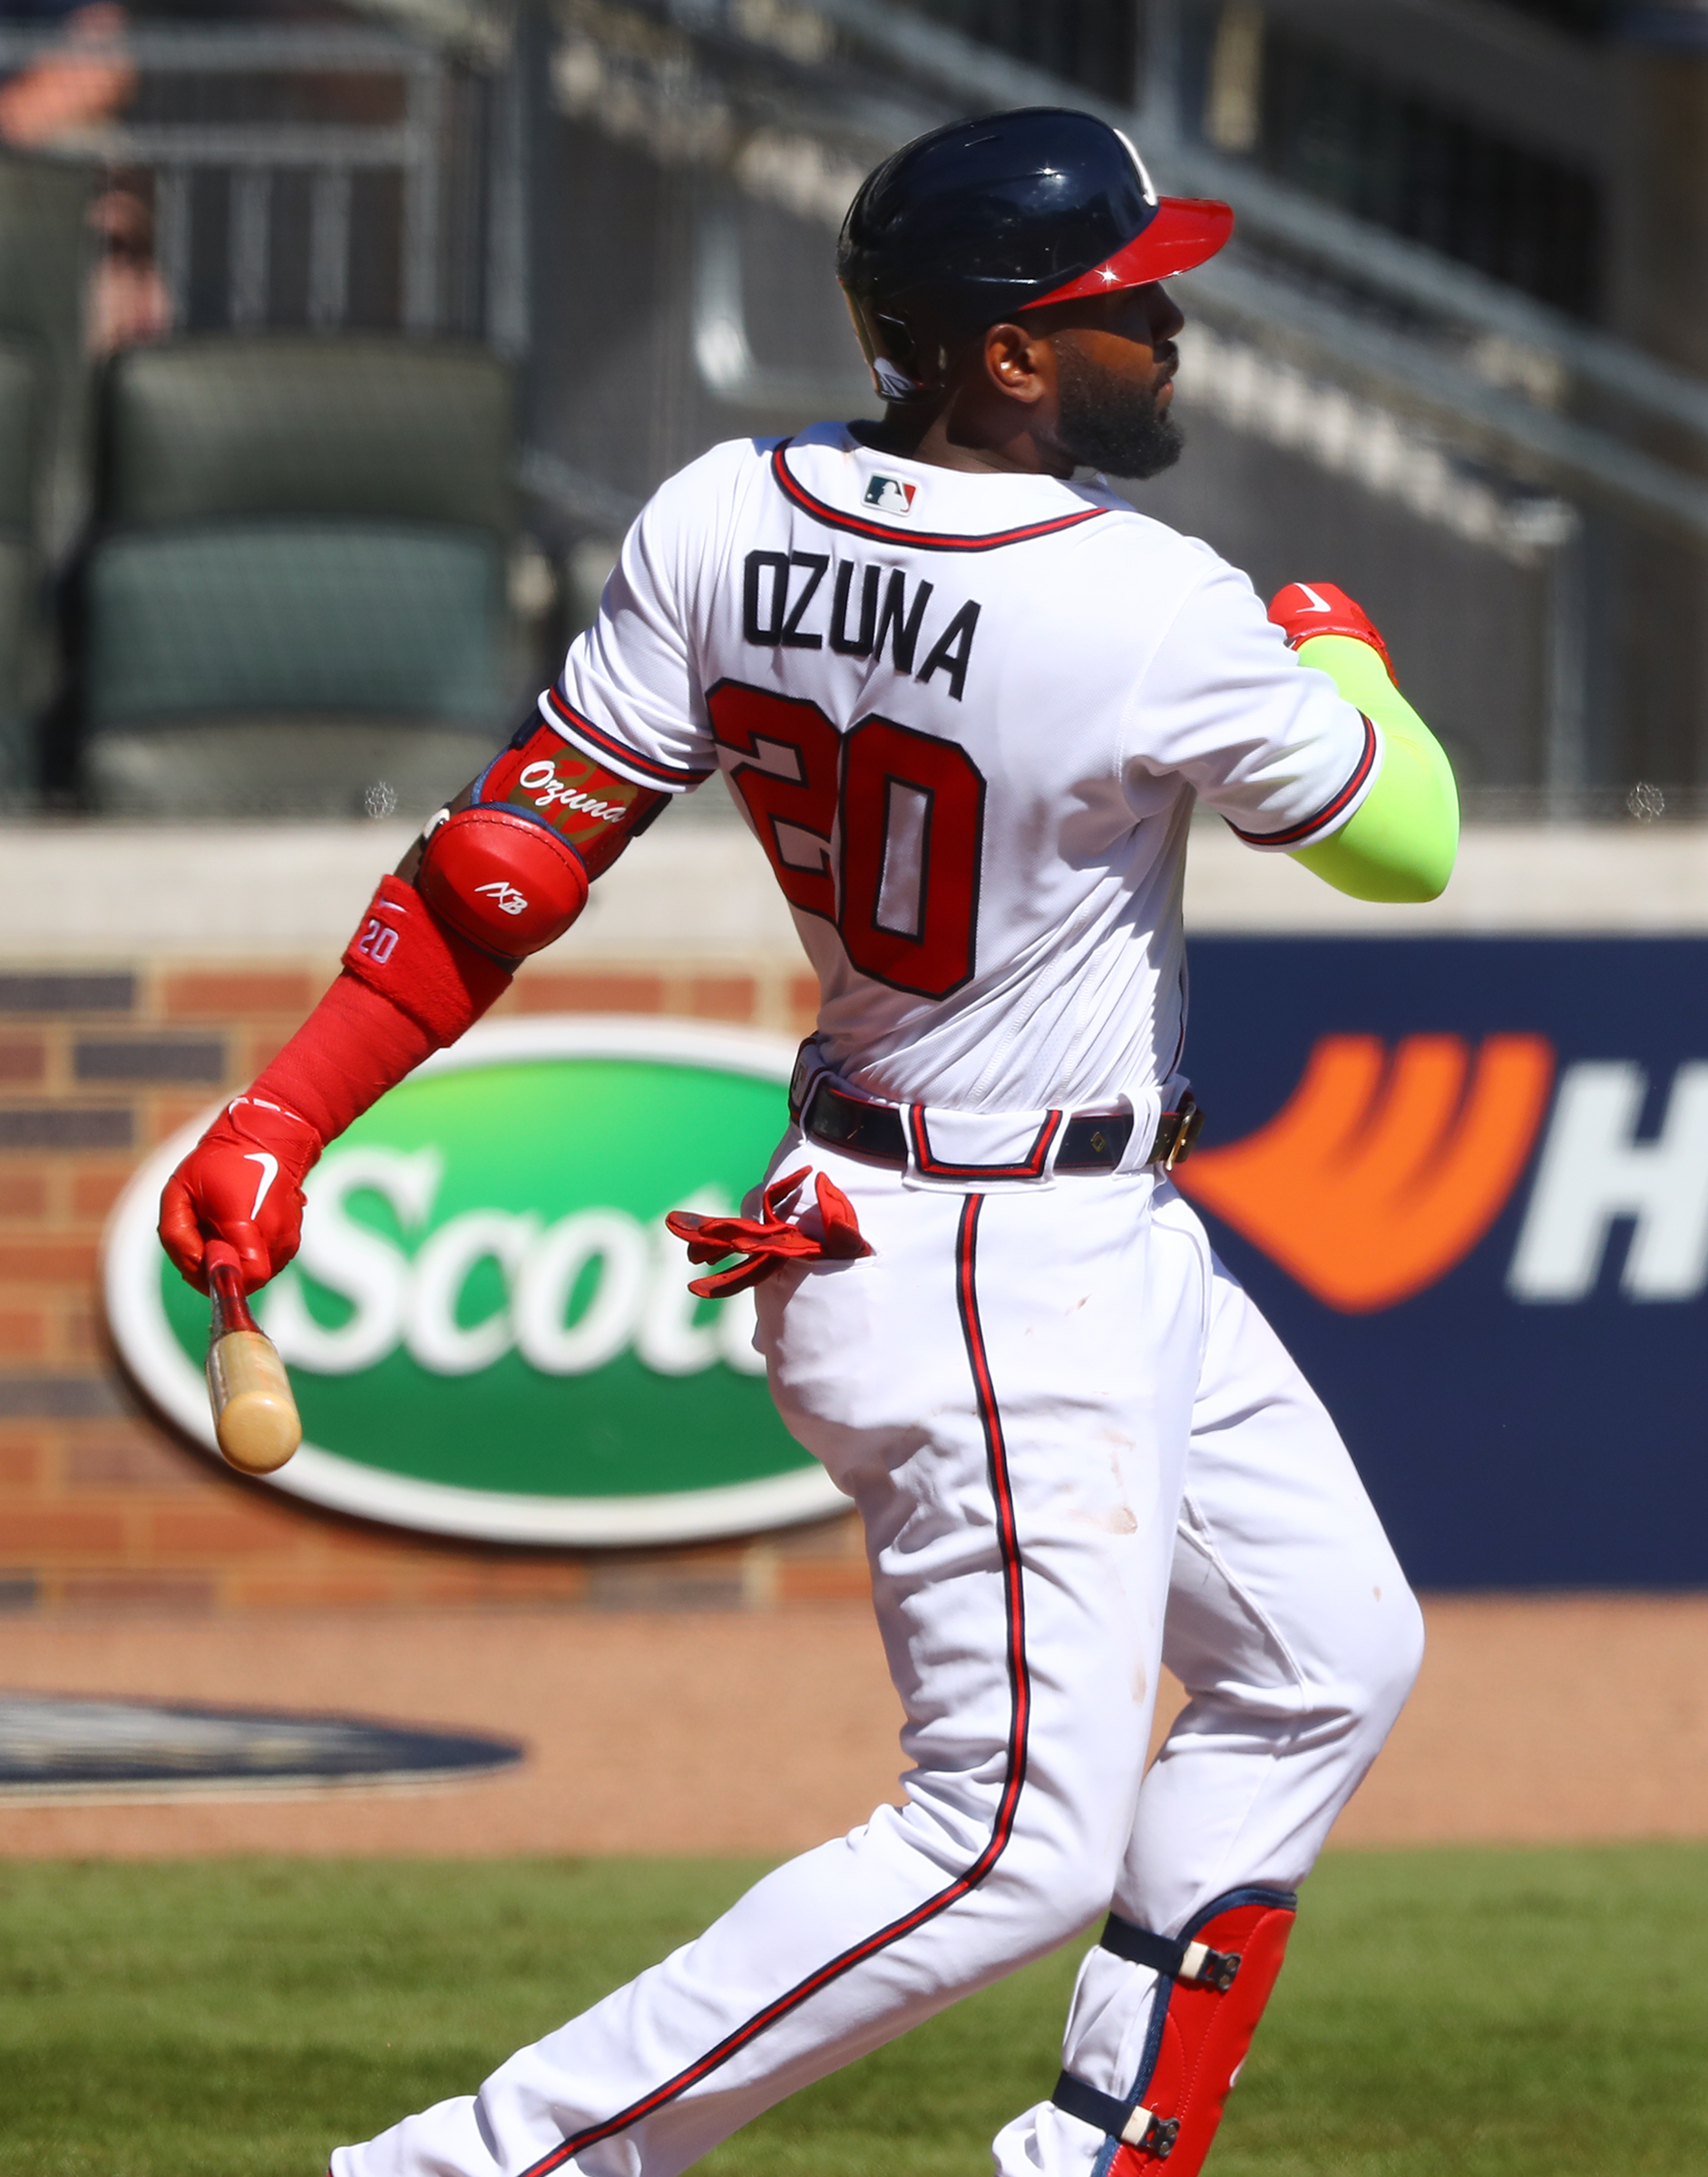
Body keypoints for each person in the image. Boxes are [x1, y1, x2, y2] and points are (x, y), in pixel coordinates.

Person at [159, 106, 1457, 2177]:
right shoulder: (1149, 599)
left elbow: (506, 867)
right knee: (1013, 1846)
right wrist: (1344, 652)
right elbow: (1412, 840)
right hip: (987, 1244)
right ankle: (476, 2170)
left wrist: (288, 1106)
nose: (1172, 324)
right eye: (1126, 301)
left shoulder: (724, 510)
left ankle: (1107, 2150)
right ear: (1007, 355)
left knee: (1326, 1655)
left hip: (1007, 1210)